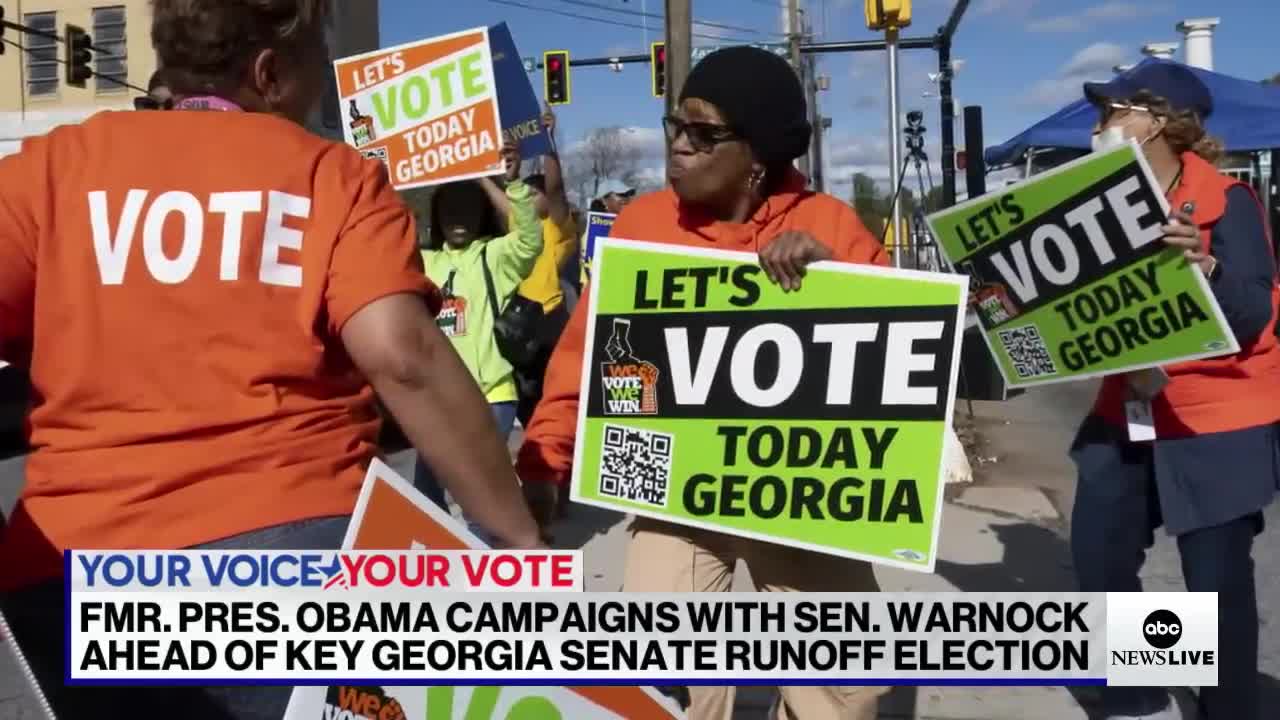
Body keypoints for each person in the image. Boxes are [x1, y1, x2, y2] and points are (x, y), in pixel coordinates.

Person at [0, 1, 542, 718]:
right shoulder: (332, 177)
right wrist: (520, 540)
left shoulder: (49, 171)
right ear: (269, 73)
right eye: (320, 60)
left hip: (70, 582)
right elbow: (402, 355)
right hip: (295, 563)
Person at [517, 46, 892, 720]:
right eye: (676, 127)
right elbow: (587, 358)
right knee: (658, 674)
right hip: (676, 500)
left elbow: (905, 354)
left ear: (758, 155)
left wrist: (840, 278)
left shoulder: (830, 223)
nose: (679, 146)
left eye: (704, 133)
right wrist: (544, 460)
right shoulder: (641, 225)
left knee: (846, 688)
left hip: (803, 501)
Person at [1070, 63, 1280, 720]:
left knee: (1214, 585)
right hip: (1127, 407)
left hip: (1219, 412)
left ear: (1156, 121)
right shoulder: (1089, 201)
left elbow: (1252, 313)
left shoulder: (1228, 202)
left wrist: (1207, 266)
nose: (1100, 123)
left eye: (1113, 109)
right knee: (1100, 556)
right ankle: (1139, 692)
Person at [413, 151, 544, 521]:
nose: (458, 217)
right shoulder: (425, 263)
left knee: (476, 496)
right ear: (438, 217)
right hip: (438, 401)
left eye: (468, 208)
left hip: (491, 397)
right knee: (425, 495)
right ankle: (449, 566)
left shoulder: (494, 256)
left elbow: (529, 239)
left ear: (482, 214)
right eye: (449, 209)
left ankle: (481, 572)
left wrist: (501, 181)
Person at [477, 106, 579, 428]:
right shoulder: (519, 226)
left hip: (549, 327)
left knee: (547, 409)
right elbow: (498, 192)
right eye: (528, 191)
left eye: (536, 191)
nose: (532, 195)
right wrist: (472, 166)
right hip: (515, 329)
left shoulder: (559, 227)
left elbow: (556, 189)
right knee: (522, 407)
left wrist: (547, 141)